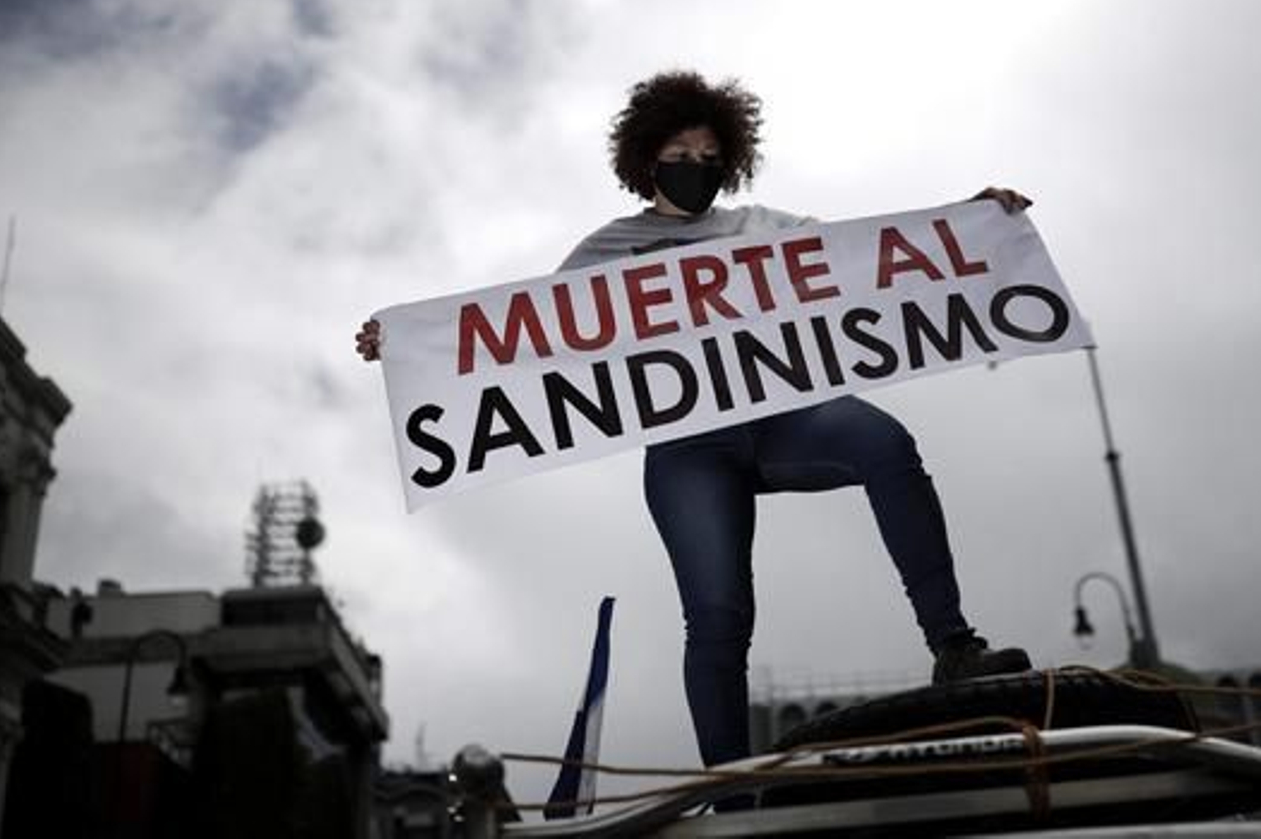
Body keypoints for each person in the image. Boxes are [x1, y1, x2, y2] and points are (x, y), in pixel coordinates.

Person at [356, 71, 1034, 768]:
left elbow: (871, 253)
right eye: (681, 156)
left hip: (786, 417)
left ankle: (954, 645)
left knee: (887, 443)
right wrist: (410, 344)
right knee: (718, 615)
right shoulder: (608, 247)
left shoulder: (761, 225)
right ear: (647, 159)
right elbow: (520, 333)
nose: (697, 168)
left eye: (710, 158)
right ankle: (730, 784)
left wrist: (966, 223)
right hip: (690, 452)